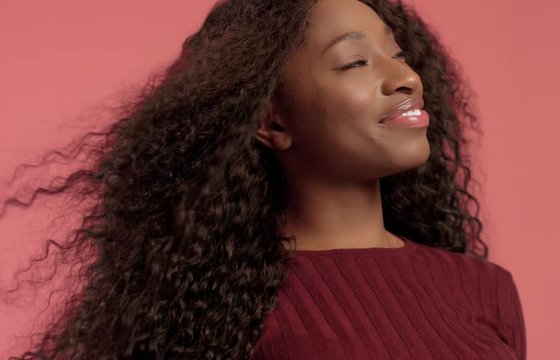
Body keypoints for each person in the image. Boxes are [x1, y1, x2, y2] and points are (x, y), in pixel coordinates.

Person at [2, 0, 526, 359]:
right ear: (272, 121)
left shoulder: (485, 290)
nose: (407, 78)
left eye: (399, 55)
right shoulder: (215, 312)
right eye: (355, 62)